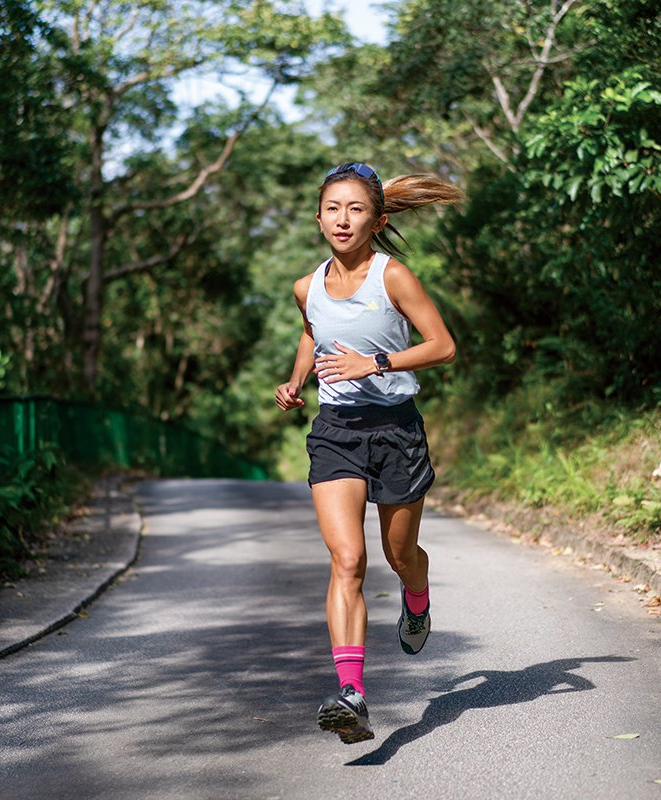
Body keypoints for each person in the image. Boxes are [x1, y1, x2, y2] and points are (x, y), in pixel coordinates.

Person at [274, 162, 462, 744]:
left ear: (377, 220)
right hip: (336, 431)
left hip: (397, 430)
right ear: (319, 217)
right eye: (333, 208)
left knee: (399, 552)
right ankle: (351, 693)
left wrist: (374, 362)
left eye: (355, 210)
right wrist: (297, 379)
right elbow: (312, 330)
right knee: (348, 560)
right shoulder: (308, 286)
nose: (343, 219)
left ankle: (417, 596)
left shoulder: (394, 277)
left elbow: (443, 346)